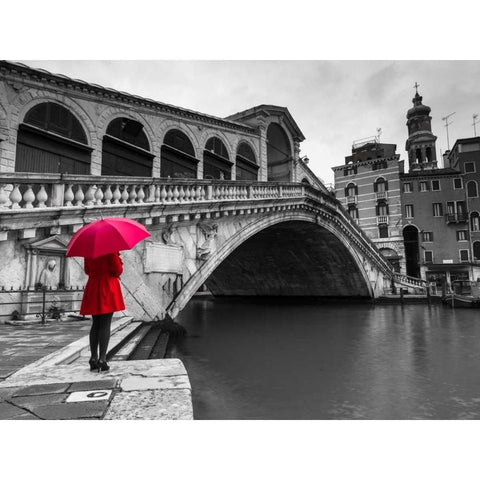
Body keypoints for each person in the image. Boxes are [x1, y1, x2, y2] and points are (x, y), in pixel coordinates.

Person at [80, 251, 125, 372]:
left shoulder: (89, 251)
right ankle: (102, 359)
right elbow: (118, 270)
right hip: (107, 286)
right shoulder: (110, 250)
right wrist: (119, 261)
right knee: (105, 324)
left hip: (94, 286)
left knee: (96, 324)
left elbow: (87, 270)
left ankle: (93, 358)